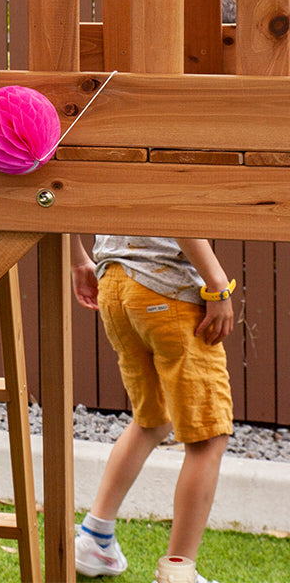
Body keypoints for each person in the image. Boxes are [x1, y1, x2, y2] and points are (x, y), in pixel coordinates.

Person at [70, 235, 236, 583]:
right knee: (209, 438)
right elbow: (177, 212)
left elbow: (56, 186)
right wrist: (217, 284)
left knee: (152, 420)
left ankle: (95, 539)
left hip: (114, 284)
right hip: (167, 289)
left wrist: (77, 259)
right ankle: (178, 574)